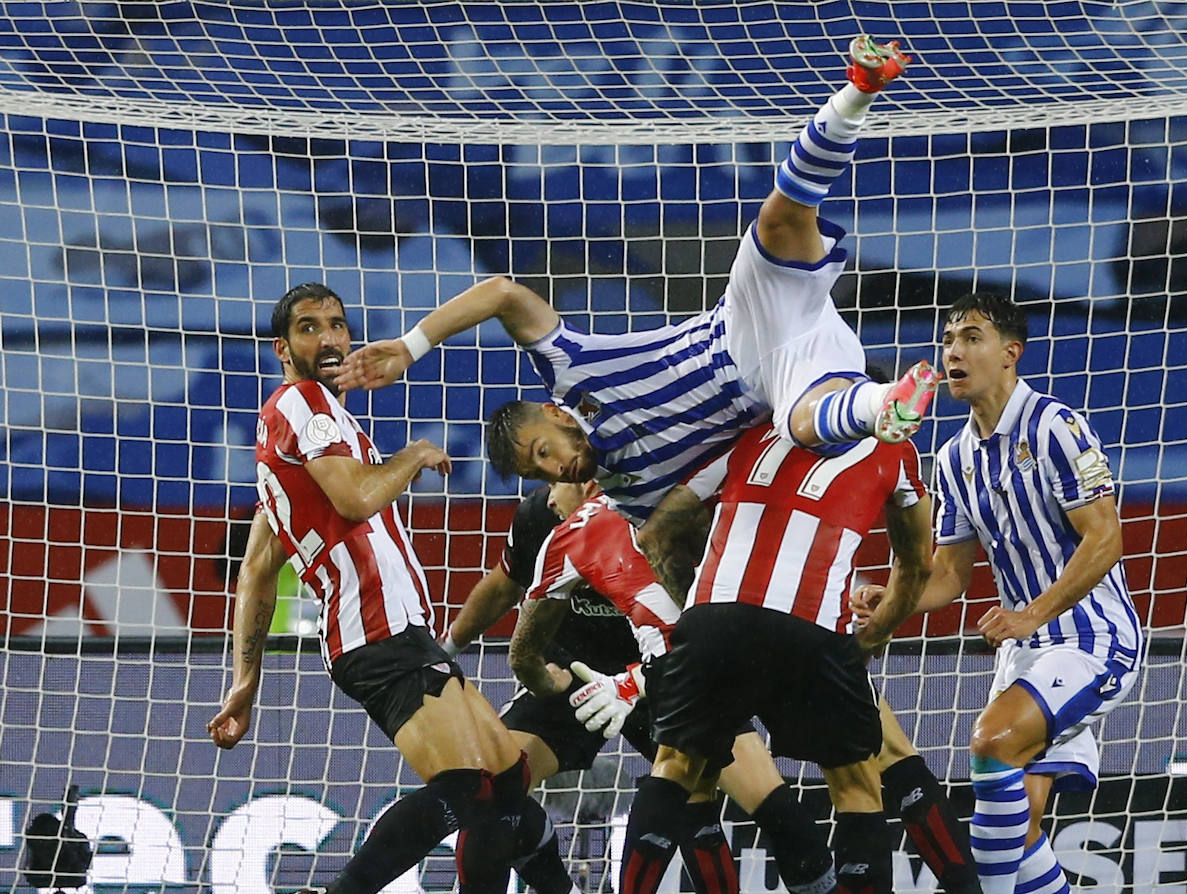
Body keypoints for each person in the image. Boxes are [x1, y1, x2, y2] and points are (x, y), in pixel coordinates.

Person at [334, 34, 939, 529]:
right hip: (782, 382)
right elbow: (673, 537)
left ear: (556, 413)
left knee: (779, 218)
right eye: (541, 476)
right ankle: (887, 403)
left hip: (742, 322)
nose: (557, 472)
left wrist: (413, 345)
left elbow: (503, 294)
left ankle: (858, 92)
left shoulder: (572, 373)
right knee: (802, 423)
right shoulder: (633, 495)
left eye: (544, 453)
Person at [208, 282, 566, 894]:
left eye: (338, 324)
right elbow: (357, 499)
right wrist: (414, 456)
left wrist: (244, 680)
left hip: (397, 634)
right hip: (374, 634)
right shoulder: (300, 409)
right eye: (309, 328)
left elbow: (255, 569)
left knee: (502, 785)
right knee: (471, 790)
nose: (329, 338)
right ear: (284, 349)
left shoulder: (305, 434)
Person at [446, 480, 853, 894]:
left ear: (596, 478)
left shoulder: (672, 523)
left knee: (762, 800)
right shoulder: (541, 521)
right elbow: (507, 587)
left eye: (561, 481)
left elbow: (698, 621)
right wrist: (451, 644)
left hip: (667, 674)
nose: (551, 495)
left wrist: (635, 681)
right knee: (488, 785)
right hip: (573, 678)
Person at [584, 421, 933, 894]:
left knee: (674, 767)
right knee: (856, 786)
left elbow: (660, 527)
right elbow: (918, 564)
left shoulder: (754, 435)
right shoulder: (895, 450)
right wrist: (873, 638)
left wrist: (700, 602)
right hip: (811, 626)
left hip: (715, 616)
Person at [902, 292, 1141, 894]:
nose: (952, 351)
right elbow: (946, 575)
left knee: (991, 741)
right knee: (1019, 820)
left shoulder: (1058, 426)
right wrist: (878, 609)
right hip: (1027, 655)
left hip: (1092, 638)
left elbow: (1106, 538)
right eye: (947, 338)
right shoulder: (952, 458)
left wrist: (1030, 611)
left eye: (970, 336)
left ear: (1011, 351)